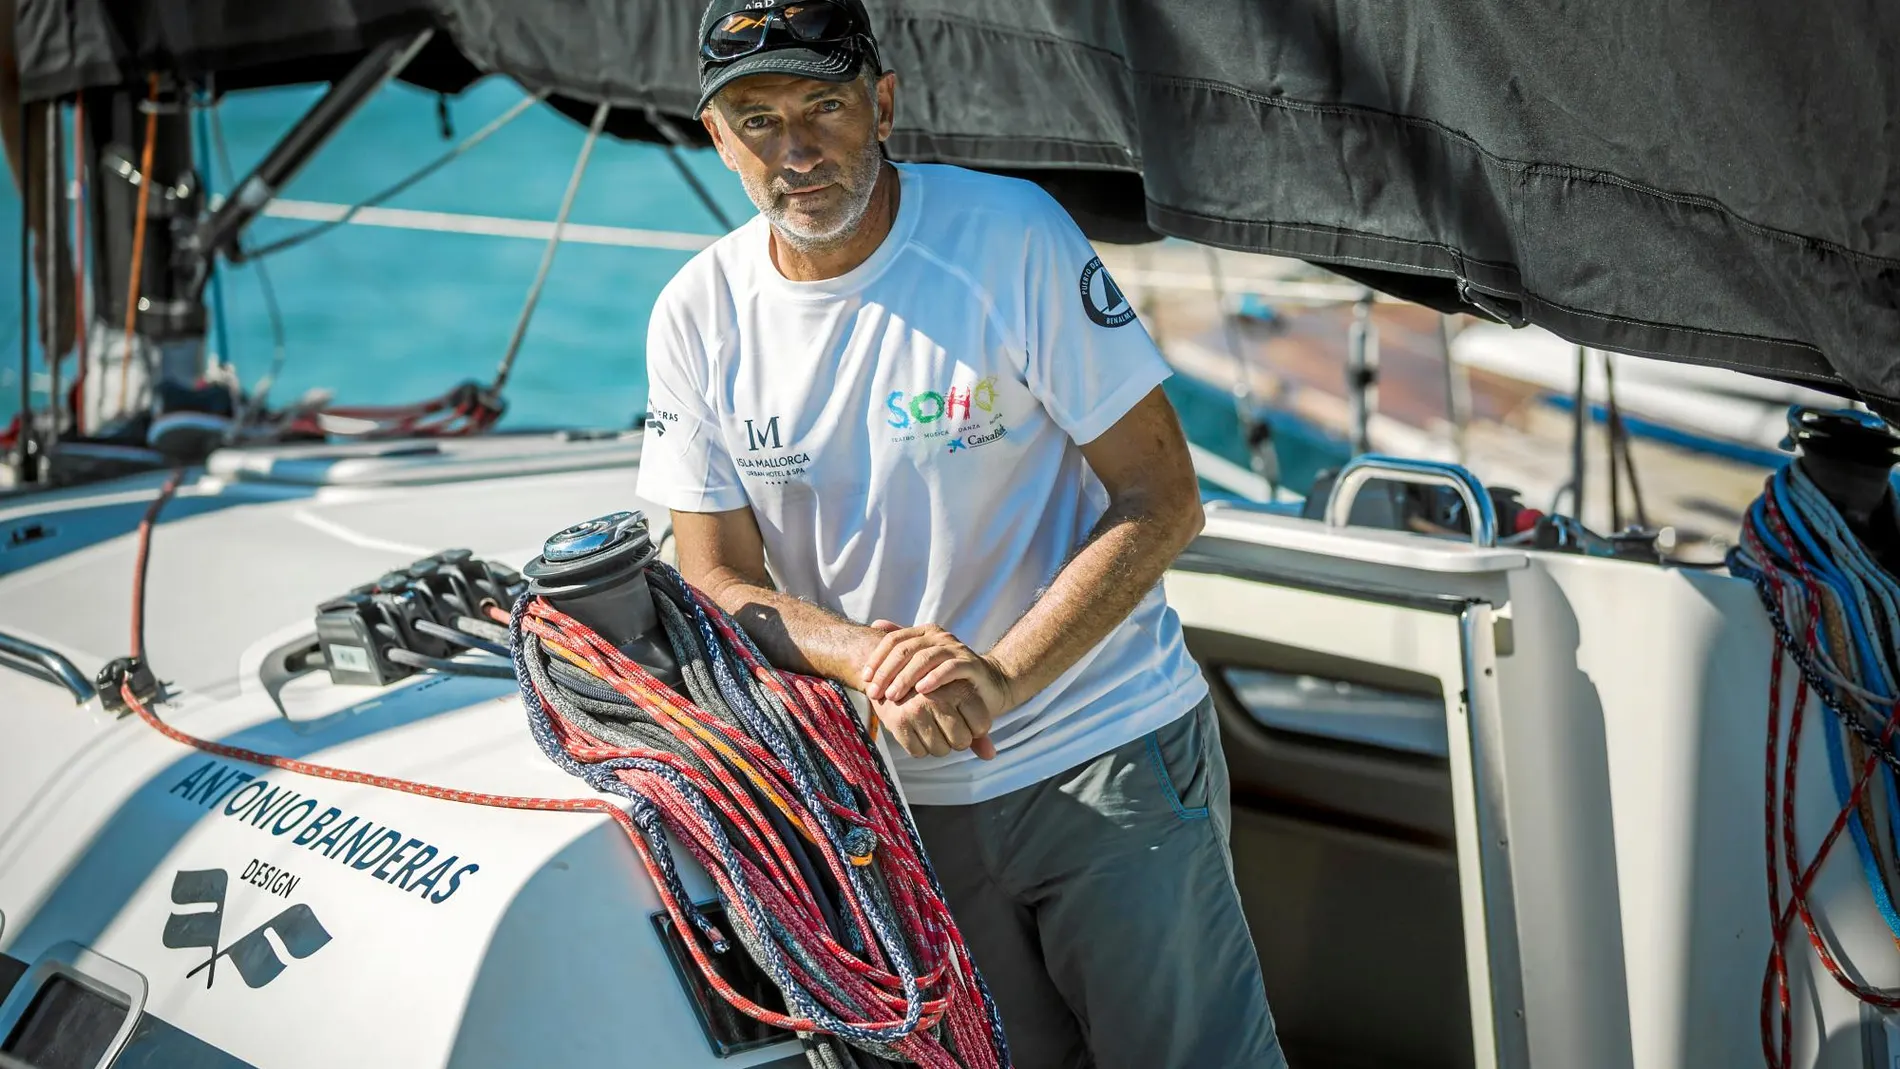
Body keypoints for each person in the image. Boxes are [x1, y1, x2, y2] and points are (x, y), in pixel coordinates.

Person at [637, 2, 1287, 1065]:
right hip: (890, 801)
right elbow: (710, 573)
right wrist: (876, 661)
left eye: (822, 105)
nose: (793, 150)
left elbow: (1163, 497)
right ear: (717, 139)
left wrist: (999, 680)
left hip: (1103, 751)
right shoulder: (695, 311)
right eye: (755, 120)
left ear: (882, 103)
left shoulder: (1010, 234)